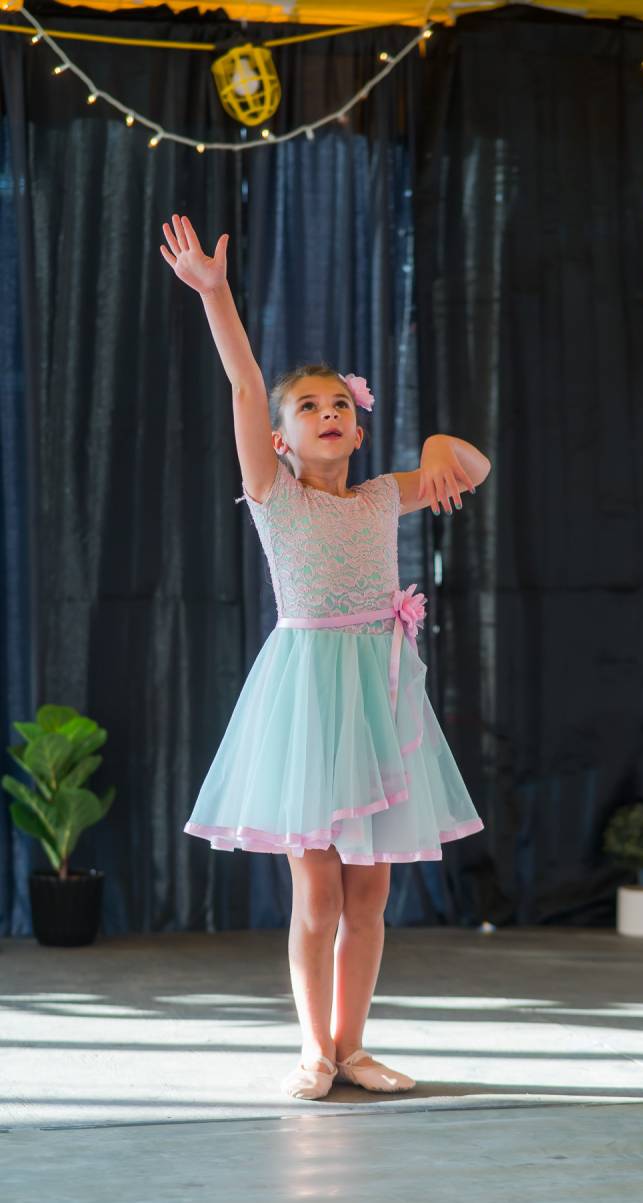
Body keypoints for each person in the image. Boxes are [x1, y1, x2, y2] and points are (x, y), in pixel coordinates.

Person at [160, 214, 490, 1101]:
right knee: (317, 893)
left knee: (371, 893)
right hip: (309, 700)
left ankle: (352, 1046)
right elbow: (242, 386)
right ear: (280, 441)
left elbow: (473, 464)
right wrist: (216, 294)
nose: (328, 413)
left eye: (339, 403)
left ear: (357, 422)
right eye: (308, 407)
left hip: (378, 698)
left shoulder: (384, 494)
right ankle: (313, 1046)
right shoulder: (274, 495)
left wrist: (427, 453)